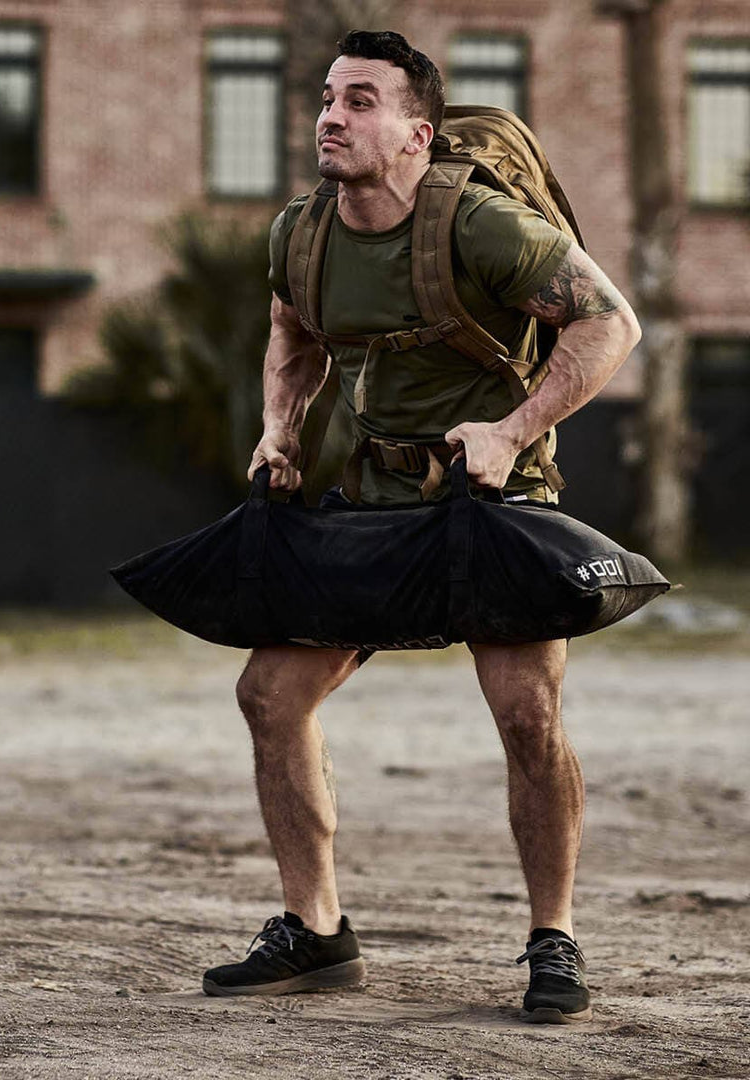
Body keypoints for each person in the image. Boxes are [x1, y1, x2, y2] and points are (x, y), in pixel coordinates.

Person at [201, 30, 641, 1024]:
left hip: (495, 498)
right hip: (376, 496)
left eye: (361, 101)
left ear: (414, 134)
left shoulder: (481, 226)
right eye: (327, 98)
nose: (331, 115)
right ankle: (315, 935)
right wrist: (280, 430)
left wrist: (512, 428)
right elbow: (290, 334)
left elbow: (609, 321)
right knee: (270, 694)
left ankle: (552, 938)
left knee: (527, 716)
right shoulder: (301, 234)